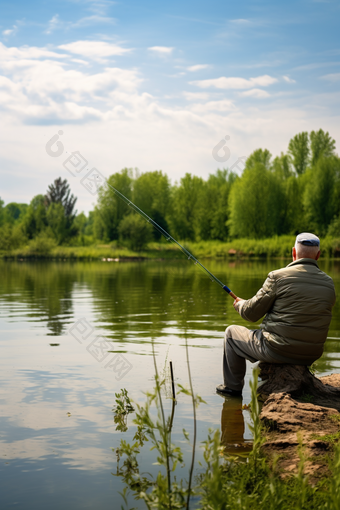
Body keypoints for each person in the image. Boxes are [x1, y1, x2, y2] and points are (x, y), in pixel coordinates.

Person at [216, 232, 336, 397]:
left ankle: (232, 388)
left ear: (293, 252)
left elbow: (251, 314)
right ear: (318, 255)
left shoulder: (277, 277)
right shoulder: (329, 283)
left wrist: (240, 304)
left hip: (278, 349)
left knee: (231, 334)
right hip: (311, 354)